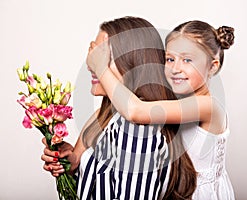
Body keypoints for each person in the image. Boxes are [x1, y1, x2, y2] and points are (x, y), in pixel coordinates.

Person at [41, 16, 197, 200]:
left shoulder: (137, 130)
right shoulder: (106, 114)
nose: (91, 65)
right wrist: (73, 163)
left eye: (101, 57)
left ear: (133, 64)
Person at [87, 20, 235, 199]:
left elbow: (136, 111)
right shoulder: (174, 99)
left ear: (212, 66)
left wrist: (101, 67)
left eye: (187, 60)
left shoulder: (208, 106)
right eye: (170, 59)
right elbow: (119, 111)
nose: (175, 69)